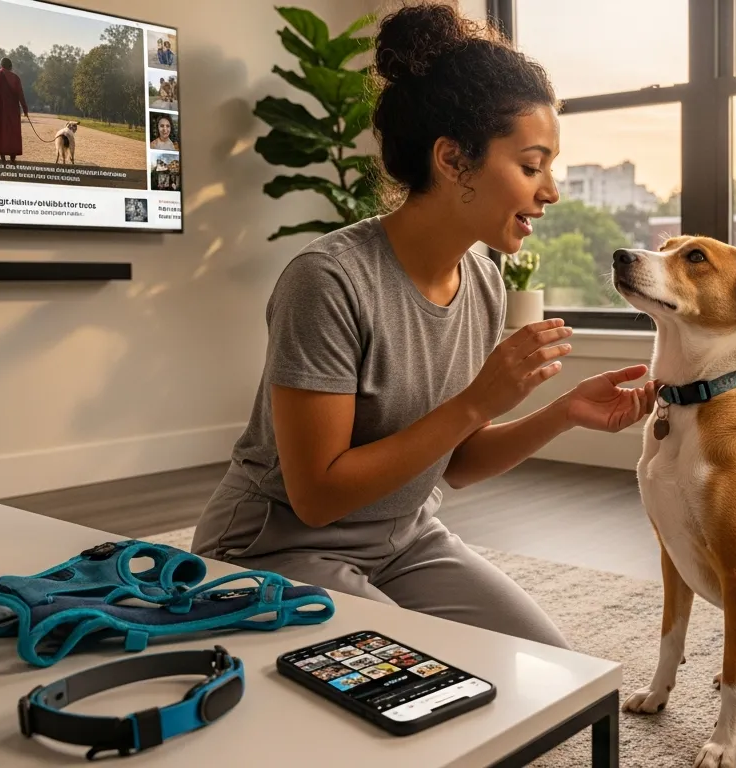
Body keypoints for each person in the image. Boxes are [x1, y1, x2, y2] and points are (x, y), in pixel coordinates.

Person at [188, 2, 656, 650]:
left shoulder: (485, 279)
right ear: (452, 160)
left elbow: (455, 464)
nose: (550, 190)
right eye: (531, 164)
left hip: (402, 539)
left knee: (547, 665)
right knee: (410, 689)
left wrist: (562, 413)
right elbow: (318, 496)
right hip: (275, 547)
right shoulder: (328, 280)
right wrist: (477, 401)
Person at [0, 57, 29, 165]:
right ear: (10, 66)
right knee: (13, 132)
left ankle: (2, 157)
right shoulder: (15, 78)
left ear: (1, 65)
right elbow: (20, 95)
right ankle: (13, 158)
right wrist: (25, 109)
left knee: (0, 132)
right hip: (13, 111)